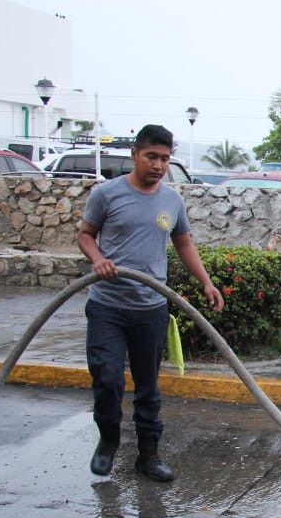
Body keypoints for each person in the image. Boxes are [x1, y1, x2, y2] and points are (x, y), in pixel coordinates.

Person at [78, 124, 224, 482]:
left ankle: (148, 455)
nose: (159, 165)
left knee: (148, 386)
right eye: (151, 157)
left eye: (165, 158)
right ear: (135, 154)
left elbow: (184, 244)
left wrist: (205, 282)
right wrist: (98, 259)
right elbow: (85, 235)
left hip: (150, 307)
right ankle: (109, 439)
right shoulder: (106, 194)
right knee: (108, 378)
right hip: (107, 306)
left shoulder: (172, 200)